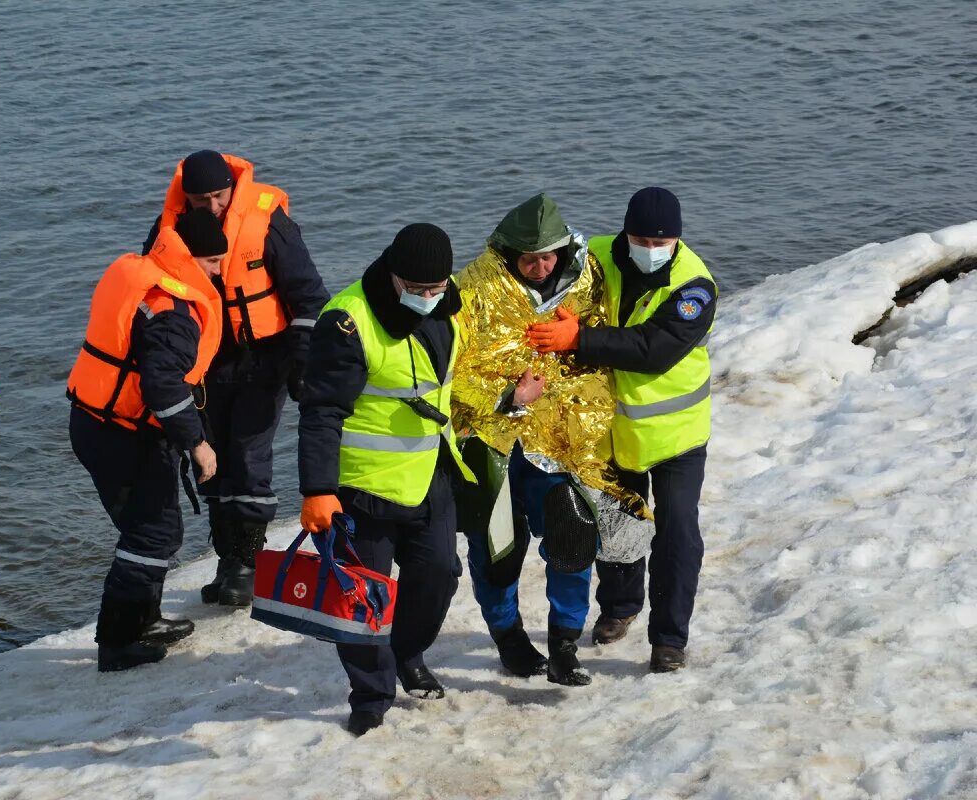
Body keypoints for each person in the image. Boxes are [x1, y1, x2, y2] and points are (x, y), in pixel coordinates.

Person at [527, 187, 716, 672]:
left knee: (676, 534)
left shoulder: (695, 286)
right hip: (610, 431)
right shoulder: (597, 258)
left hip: (675, 437)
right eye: (640, 239)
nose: (650, 249)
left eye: (662, 242)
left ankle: (669, 640)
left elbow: (654, 349)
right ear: (626, 233)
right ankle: (620, 608)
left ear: (678, 239)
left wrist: (579, 338)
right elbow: (543, 275)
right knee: (616, 528)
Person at [297, 223, 476, 736]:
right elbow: (321, 412)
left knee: (439, 574)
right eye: (417, 290)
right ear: (393, 277)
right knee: (362, 601)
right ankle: (370, 696)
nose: (427, 299)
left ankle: (408, 653)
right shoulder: (347, 323)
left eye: (435, 289)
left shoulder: (446, 306)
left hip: (427, 476)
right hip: (362, 487)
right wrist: (317, 491)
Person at [143, 150, 328, 608]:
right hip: (204, 362)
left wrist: (305, 362)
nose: (211, 208)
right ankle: (229, 558)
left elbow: (309, 297)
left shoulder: (269, 222)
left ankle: (245, 564)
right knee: (212, 460)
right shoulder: (168, 230)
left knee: (248, 455)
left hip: (266, 357)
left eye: (219, 196)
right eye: (200, 199)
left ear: (232, 187)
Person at [452, 193, 607, 687]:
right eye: (528, 259)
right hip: (490, 438)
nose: (540, 267)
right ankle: (509, 638)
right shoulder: (469, 289)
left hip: (560, 436)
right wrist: (505, 394)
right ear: (508, 253)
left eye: (547, 256)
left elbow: (604, 345)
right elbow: (444, 371)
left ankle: (565, 644)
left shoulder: (587, 276)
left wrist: (579, 335)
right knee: (498, 547)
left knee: (573, 532)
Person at [67, 208, 226, 672]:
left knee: (153, 527)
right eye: (213, 262)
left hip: (97, 422)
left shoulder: (146, 279)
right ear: (192, 259)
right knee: (151, 533)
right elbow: (162, 386)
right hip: (121, 435)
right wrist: (197, 443)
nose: (219, 272)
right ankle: (118, 642)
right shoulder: (176, 313)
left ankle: (146, 620)